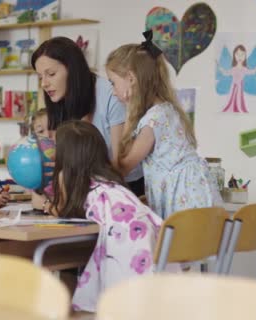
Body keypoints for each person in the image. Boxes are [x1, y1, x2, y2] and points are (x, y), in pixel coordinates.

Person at [35, 120, 163, 312]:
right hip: (154, 245)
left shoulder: (67, 178)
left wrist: (42, 203)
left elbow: (63, 211)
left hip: (128, 248)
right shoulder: (110, 181)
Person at [105, 31, 222, 219]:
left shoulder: (153, 121)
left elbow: (123, 167)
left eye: (113, 83)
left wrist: (126, 115)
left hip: (186, 208)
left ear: (131, 79)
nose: (112, 92)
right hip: (200, 202)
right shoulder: (168, 110)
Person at [31, 37, 144, 197]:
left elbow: (120, 165)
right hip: (87, 188)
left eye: (51, 74)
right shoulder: (59, 101)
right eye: (40, 77)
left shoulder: (111, 95)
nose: (44, 84)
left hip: (126, 188)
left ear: (72, 69)